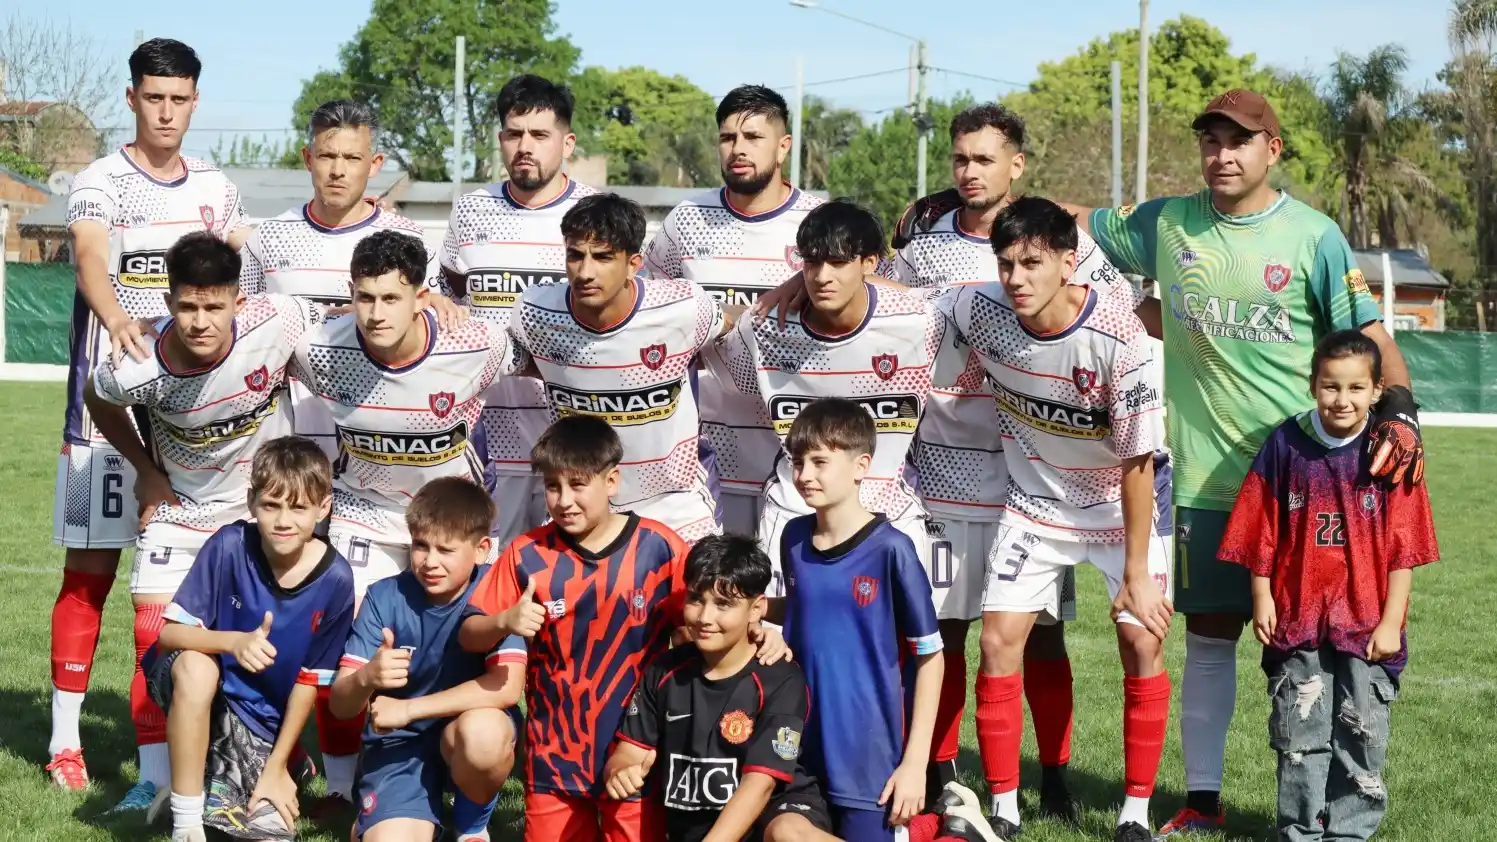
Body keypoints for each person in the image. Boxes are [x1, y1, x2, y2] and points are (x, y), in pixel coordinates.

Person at [1056, 88, 1422, 837]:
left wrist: (1402, 413)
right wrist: (958, 206)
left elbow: (1372, 338)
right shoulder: (1165, 222)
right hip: (1205, 480)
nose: (1221, 155)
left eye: (1239, 142)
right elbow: (1070, 221)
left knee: (1330, 648)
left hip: (1308, 480)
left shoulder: (1312, 237)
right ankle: (1203, 801)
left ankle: (1329, 804)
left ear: (1271, 150)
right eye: (1211, 141)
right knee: (1212, 636)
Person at [48, 36, 251, 800]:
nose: (166, 112)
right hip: (100, 415)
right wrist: (119, 321)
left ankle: (175, 758)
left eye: (179, 99)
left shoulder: (215, 186)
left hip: (193, 422)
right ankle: (66, 742)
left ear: (194, 101)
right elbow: (91, 257)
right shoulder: (101, 179)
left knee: (181, 591)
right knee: (90, 574)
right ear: (130, 99)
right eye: (153, 98)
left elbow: (251, 260)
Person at [240, 99, 463, 793]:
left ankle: (388, 768)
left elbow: (448, 323)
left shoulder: (404, 234)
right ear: (307, 157)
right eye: (325, 155)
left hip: (375, 456)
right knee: (307, 625)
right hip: (293, 457)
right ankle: (297, 761)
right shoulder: (269, 239)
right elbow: (249, 332)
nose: (337, 169)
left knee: (400, 631)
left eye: (351, 157)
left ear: (375, 164)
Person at [946, 198, 1172, 842]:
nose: (1016, 278)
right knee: (996, 642)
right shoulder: (977, 305)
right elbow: (903, 300)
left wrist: (1136, 574)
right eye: (1006, 263)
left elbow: (1135, 463)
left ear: (1070, 264)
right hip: (1036, 505)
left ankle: (1134, 813)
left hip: (1120, 506)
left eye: (1032, 264)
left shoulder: (1123, 341)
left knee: (1142, 640)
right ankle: (1006, 809)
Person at [81, 232, 324, 810]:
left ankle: (277, 754)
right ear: (168, 304)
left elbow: (346, 320)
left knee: (273, 633)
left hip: (261, 510)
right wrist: (146, 470)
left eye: (214, 306)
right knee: (152, 629)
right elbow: (97, 396)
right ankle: (153, 777)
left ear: (239, 301)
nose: (199, 321)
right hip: (183, 509)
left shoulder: (278, 319)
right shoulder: (136, 366)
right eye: (187, 306)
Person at [289, 228, 529, 802]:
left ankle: (466, 762)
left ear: (422, 296)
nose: (375, 313)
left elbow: (545, 360)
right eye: (364, 297)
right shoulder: (318, 348)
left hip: (449, 525)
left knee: (465, 648)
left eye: (391, 297)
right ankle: (345, 790)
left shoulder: (473, 343)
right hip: (365, 513)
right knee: (352, 652)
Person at [1218, 330, 1438, 842]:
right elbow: (1262, 527)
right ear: (1312, 384)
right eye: (1330, 387)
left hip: (1366, 620)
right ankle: (1300, 831)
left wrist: (1391, 621)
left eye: (1356, 389)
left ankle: (1350, 834)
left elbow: (1405, 548)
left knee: (1361, 734)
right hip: (1298, 616)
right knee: (1299, 735)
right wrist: (1262, 593)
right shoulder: (1285, 443)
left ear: (1377, 389)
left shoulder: (1391, 451)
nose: (1342, 400)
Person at [702, 199, 964, 599]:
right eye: (811, 263)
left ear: (870, 263)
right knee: (774, 643)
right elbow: (719, 347)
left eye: (838, 263)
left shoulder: (919, 321)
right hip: (795, 510)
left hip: (888, 511)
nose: (822, 276)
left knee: (899, 648)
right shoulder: (767, 328)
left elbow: (977, 308)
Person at [456, 415, 686, 842]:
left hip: (637, 750)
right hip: (554, 753)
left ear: (612, 481)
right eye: (552, 486)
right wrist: (504, 621)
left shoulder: (660, 548)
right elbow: (470, 633)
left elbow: (700, 627)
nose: (563, 500)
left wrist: (757, 631)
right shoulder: (527, 553)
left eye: (578, 485)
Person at [145, 436, 355, 842]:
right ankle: (186, 824)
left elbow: (309, 682)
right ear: (251, 500)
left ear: (323, 507)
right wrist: (234, 643)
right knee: (194, 666)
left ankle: (284, 763)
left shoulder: (336, 579)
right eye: (271, 505)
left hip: (266, 721)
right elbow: (169, 634)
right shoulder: (228, 545)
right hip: (208, 691)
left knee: (264, 830)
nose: (283, 520)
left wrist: (274, 766)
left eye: (298, 507)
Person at [642, 84, 824, 537]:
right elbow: (648, 307)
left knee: (783, 604)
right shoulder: (685, 221)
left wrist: (803, 280)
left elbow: (872, 298)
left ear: (783, 147)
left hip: (796, 457)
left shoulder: (820, 222)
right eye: (727, 138)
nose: (738, 149)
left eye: (753, 138)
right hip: (705, 458)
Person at [770, 398, 951, 842]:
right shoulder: (793, 538)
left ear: (860, 465)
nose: (804, 475)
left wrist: (914, 764)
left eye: (819, 462)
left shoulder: (892, 550)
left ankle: (949, 831)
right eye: (797, 462)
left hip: (869, 754)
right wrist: (749, 616)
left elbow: (931, 658)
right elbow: (805, 609)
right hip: (802, 746)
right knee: (782, 834)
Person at [511, 193, 731, 542]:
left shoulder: (682, 308)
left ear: (634, 263)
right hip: (586, 503)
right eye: (575, 255)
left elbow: (737, 325)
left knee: (700, 595)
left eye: (602, 257)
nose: (585, 272)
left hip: (674, 502)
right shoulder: (534, 313)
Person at [442, 74, 600, 547]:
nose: (524, 146)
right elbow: (446, 294)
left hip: (572, 440)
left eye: (539, 135)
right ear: (500, 139)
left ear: (566, 143)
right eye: (514, 134)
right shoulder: (471, 210)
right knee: (492, 577)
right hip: (490, 434)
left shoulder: (596, 212)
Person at [330, 477, 527, 842]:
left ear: (482, 549)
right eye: (421, 545)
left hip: (462, 735)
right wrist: (366, 678)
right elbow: (341, 705)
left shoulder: (497, 590)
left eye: (446, 550)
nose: (429, 562)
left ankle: (470, 829)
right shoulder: (383, 597)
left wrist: (409, 709)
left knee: (484, 733)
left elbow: (506, 689)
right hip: (399, 744)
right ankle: (391, 814)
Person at [606, 533, 834, 842]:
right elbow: (628, 753)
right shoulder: (664, 671)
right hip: (693, 829)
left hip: (771, 812)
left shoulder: (780, 677)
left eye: (724, 604)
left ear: (757, 609)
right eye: (696, 599)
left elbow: (761, 784)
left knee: (789, 834)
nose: (704, 617)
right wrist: (619, 773)